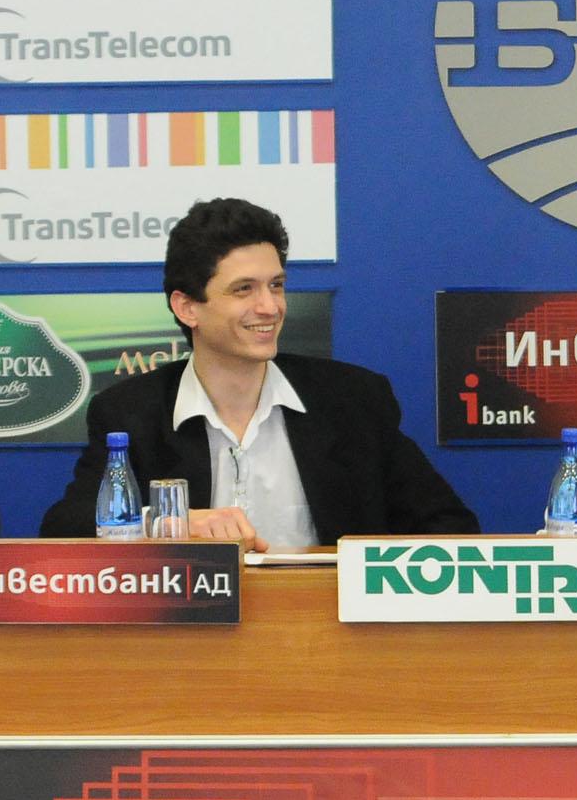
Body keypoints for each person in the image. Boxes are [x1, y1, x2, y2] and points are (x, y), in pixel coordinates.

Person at [40, 198, 478, 547]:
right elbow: (65, 528)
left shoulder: (353, 401)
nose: (270, 307)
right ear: (187, 307)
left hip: (327, 626)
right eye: (243, 289)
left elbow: (450, 526)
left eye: (276, 285)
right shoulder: (130, 412)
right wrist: (170, 522)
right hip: (190, 629)